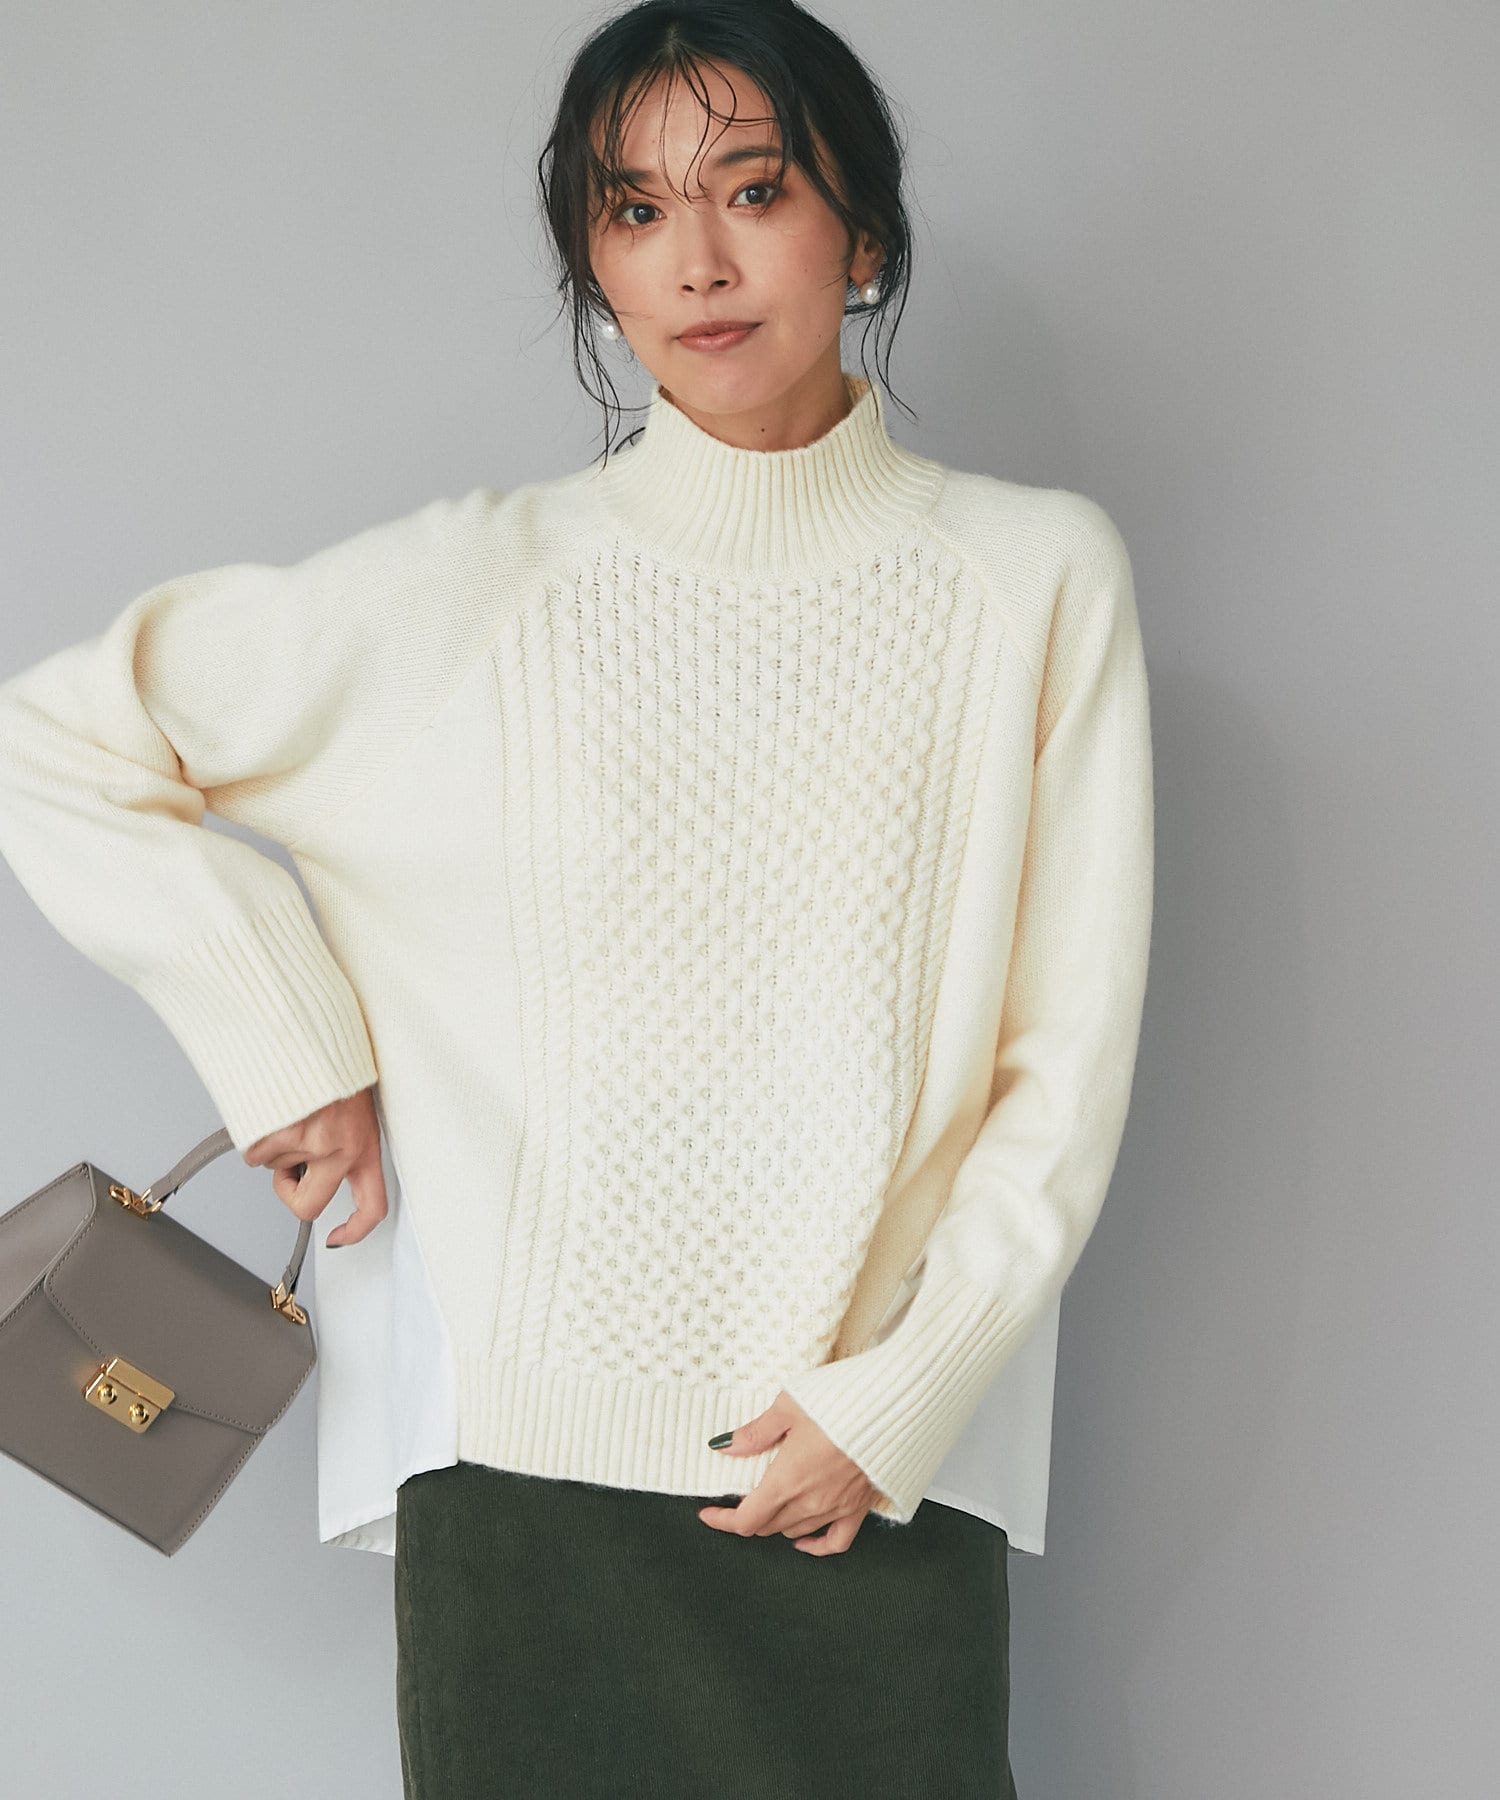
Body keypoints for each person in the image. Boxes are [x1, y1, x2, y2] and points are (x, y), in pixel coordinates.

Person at [0, 1, 1154, 1794]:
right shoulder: (484, 584)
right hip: (525, 1487)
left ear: (863, 231)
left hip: (859, 1463)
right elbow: (54, 739)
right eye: (633, 211)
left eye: (754, 190)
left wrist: (903, 1397)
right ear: (593, 271)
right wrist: (291, 1044)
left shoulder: (1030, 577)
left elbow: (1060, 1073)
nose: (697, 262)